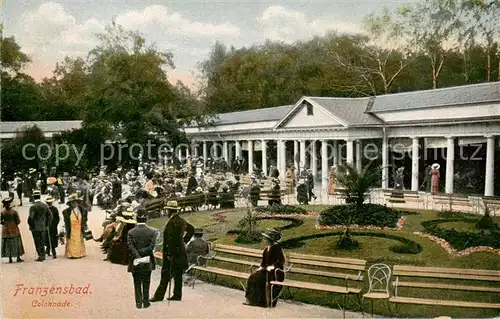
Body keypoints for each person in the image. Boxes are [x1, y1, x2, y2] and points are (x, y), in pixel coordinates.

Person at [151, 201, 195, 302]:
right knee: (178, 275)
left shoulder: (173, 222)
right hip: (180, 252)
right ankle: (177, 295)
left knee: (165, 275)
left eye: (168, 210)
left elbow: (170, 240)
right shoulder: (181, 220)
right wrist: (184, 240)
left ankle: (158, 296)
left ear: (170, 210)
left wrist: (170, 252)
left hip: (171, 253)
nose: (167, 211)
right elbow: (192, 229)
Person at [127, 208, 159, 309]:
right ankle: (146, 302)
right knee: (146, 281)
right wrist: (143, 253)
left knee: (136, 282)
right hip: (147, 260)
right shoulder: (153, 232)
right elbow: (151, 247)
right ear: (147, 219)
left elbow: (130, 247)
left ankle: (138, 302)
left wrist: (137, 254)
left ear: (136, 218)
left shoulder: (131, 232)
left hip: (135, 260)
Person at [245, 229, 285, 308]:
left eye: (265, 239)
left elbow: (280, 261)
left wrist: (272, 267)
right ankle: (253, 300)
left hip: (275, 272)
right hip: (266, 271)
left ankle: (264, 301)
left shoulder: (277, 248)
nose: (263, 240)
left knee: (258, 278)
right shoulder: (266, 250)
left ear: (270, 240)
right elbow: (263, 263)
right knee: (253, 277)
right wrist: (260, 268)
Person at [62, 193, 88, 259]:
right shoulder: (66, 211)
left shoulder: (83, 210)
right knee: (71, 241)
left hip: (79, 228)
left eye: (75, 202)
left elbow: (85, 219)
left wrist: (84, 225)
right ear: (70, 203)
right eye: (72, 202)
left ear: (78, 202)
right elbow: (65, 221)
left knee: (79, 240)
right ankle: (71, 254)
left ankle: (80, 253)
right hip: (71, 228)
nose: (74, 204)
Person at [28, 190, 52, 262]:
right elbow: (50, 216)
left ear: (33, 197)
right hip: (43, 227)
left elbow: (31, 218)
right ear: (39, 197)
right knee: (42, 240)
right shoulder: (45, 205)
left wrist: (30, 225)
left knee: (37, 241)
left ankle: (40, 255)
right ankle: (43, 254)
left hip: (35, 227)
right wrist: (47, 224)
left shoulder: (33, 207)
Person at [1, 197, 25, 263]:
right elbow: (18, 221)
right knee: (17, 242)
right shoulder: (14, 211)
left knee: (7, 243)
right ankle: (18, 257)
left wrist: (5, 224)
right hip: (14, 228)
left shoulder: (2, 211)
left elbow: (1, 221)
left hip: (5, 230)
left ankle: (10, 258)